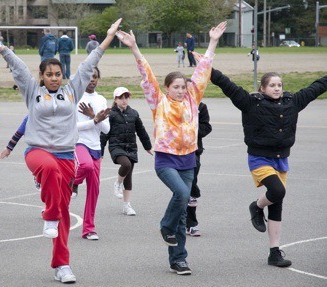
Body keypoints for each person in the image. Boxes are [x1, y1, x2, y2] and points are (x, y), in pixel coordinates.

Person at [0, 14, 122, 284]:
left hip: (66, 156)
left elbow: (91, 62)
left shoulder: (71, 92)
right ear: (42, 76)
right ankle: (49, 214)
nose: (54, 78)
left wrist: (109, 37)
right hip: (38, 153)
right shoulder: (32, 90)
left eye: (58, 74)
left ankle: (62, 265)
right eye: (49, 74)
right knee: (48, 170)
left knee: (64, 214)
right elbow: (15, 64)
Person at [116, 21, 226, 275]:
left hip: (188, 159)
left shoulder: (193, 98)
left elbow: (203, 70)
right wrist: (134, 49)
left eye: (182, 87)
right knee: (182, 196)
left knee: (183, 211)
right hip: (166, 160)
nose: (179, 90)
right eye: (175, 87)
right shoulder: (159, 101)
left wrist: (213, 42)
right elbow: (147, 75)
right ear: (166, 89)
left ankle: (179, 259)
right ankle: (165, 227)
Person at [210, 68, 327, 268]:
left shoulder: (293, 102)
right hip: (259, 158)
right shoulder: (251, 103)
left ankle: (274, 252)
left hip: (281, 159)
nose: (276, 88)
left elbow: (316, 87)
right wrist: (208, 68)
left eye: (279, 85)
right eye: (272, 85)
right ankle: (256, 206)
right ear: (262, 88)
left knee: (277, 202)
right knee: (277, 191)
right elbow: (227, 85)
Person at [100, 87, 152, 216]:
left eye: (126, 97)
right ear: (115, 99)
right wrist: (99, 152)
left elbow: (141, 131)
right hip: (116, 147)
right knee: (126, 165)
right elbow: (104, 134)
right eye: (120, 98)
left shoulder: (133, 113)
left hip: (131, 147)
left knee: (128, 177)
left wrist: (147, 146)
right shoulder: (110, 114)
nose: (124, 100)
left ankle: (126, 206)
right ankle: (117, 183)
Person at [72, 67, 111, 240]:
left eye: (95, 77)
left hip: (96, 147)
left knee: (94, 189)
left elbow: (106, 128)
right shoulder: (74, 97)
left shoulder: (101, 99)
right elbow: (72, 127)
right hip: (79, 143)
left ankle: (89, 229)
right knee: (85, 166)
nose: (92, 80)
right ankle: (71, 182)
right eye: (89, 77)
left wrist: (94, 117)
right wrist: (93, 120)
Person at [186, 102, 212, 237]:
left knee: (191, 187)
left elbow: (206, 127)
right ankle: (180, 221)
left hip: (194, 152)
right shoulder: (171, 105)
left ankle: (190, 223)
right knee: (181, 190)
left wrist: (191, 128)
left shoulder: (201, 106)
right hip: (175, 152)